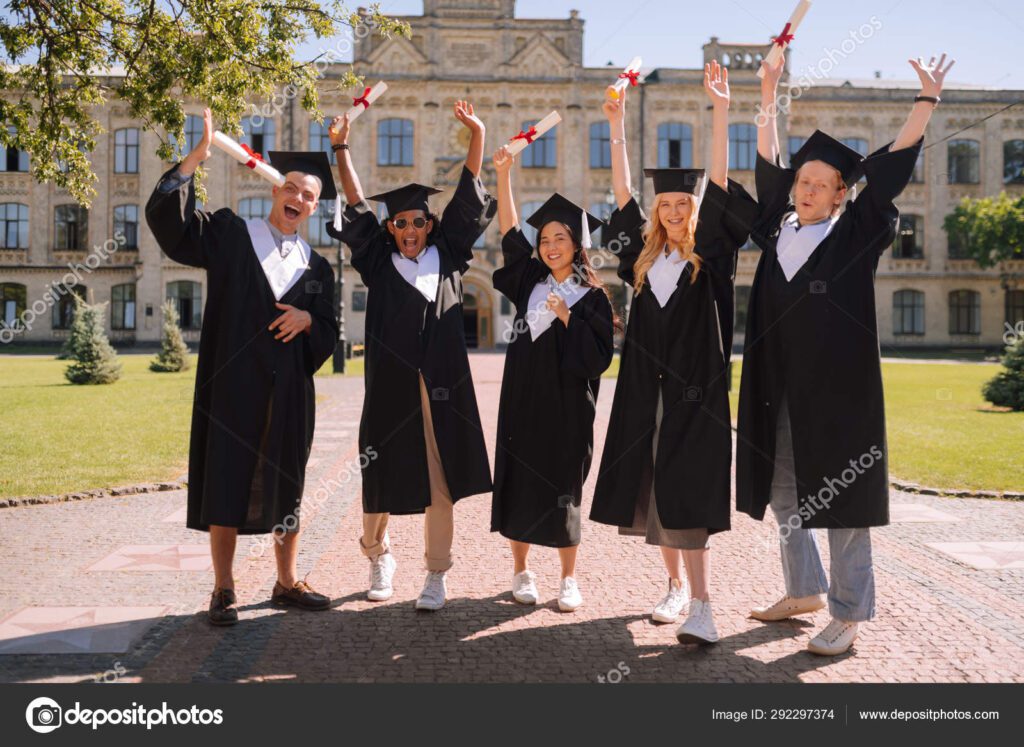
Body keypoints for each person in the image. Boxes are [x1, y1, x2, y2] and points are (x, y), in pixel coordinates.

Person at [737, 53, 953, 655]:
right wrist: (768, 87)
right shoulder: (777, 232)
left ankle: (849, 612)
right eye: (802, 182)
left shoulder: (854, 235)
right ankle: (803, 590)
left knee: (839, 502)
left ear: (839, 196)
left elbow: (889, 174)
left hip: (837, 392)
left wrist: (925, 104)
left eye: (820, 185)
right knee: (785, 494)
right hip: (776, 387)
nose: (806, 190)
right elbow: (766, 160)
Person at [145, 108, 340, 626]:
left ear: (315, 208)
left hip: (290, 392)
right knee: (228, 478)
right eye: (292, 188)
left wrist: (306, 318)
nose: (298, 198)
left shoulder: (317, 267)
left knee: (288, 482)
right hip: (232, 384)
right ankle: (224, 588)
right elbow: (175, 229)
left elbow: (329, 329)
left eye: (309, 196)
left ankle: (285, 581)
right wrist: (195, 159)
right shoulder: (232, 234)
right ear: (276, 191)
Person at [590, 63, 757, 644]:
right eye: (665, 205)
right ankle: (674, 587)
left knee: (689, 490)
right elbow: (620, 194)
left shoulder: (709, 255)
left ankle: (704, 604)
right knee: (653, 486)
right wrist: (615, 125)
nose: (673, 212)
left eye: (682, 203)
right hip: (645, 389)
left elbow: (718, 184)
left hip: (696, 392)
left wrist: (720, 110)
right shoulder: (642, 258)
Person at [326, 101, 496, 611]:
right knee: (380, 476)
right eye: (400, 222)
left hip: (442, 388)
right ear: (391, 226)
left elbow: (468, 198)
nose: (410, 230)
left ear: (428, 222)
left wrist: (478, 136)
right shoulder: (377, 261)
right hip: (389, 390)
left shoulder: (450, 257)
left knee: (439, 479)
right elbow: (356, 202)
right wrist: (341, 147)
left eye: (418, 221)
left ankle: (436, 572)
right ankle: (377, 554)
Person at [489, 145, 615, 611]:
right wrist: (503, 175)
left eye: (560, 238)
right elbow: (507, 230)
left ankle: (568, 579)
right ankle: (521, 571)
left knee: (565, 488)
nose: (550, 246)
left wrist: (567, 319)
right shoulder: (529, 282)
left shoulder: (592, 297)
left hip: (567, 408)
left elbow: (599, 358)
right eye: (544, 239)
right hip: (522, 401)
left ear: (577, 245)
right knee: (520, 480)